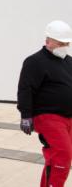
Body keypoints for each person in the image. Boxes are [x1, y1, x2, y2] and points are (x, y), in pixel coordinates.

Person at [18, 20, 72, 187]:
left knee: (56, 155)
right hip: (48, 116)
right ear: (48, 41)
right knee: (63, 154)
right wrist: (25, 115)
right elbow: (25, 89)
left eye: (67, 42)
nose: (65, 45)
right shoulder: (34, 62)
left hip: (68, 117)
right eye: (60, 42)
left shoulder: (69, 62)